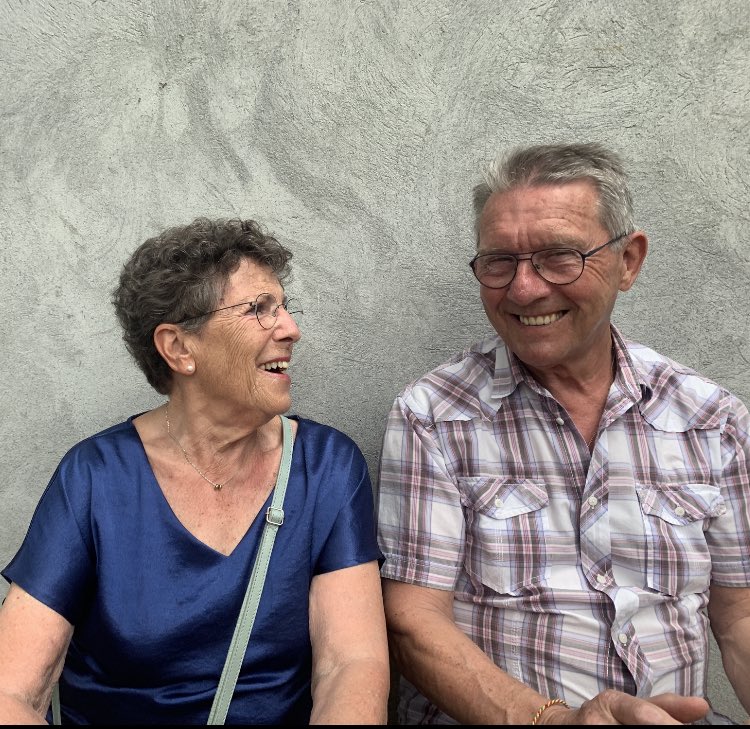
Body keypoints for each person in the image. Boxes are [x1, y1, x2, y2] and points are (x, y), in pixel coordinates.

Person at [376, 143, 750, 725]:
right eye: (499, 262)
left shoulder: (711, 419)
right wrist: (552, 721)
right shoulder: (437, 416)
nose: (524, 289)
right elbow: (413, 619)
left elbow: (739, 616)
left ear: (628, 261)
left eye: (559, 257)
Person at [0, 217, 389, 724]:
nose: (291, 329)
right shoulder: (95, 478)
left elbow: (350, 666)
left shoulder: (327, 467)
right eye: (259, 309)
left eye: (284, 306)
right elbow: (12, 689)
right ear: (180, 348)